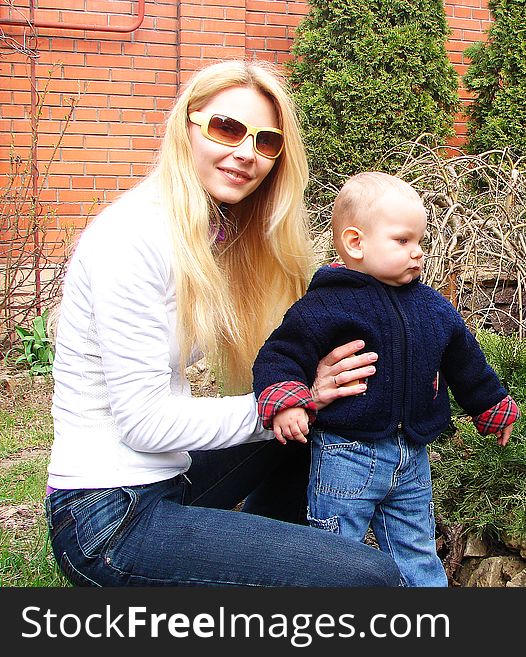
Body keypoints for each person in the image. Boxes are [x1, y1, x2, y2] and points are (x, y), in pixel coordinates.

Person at [44, 60, 401, 587]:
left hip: (168, 477)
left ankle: (266, 570)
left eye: (266, 142)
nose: (245, 153)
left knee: (299, 437)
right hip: (107, 516)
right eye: (226, 128)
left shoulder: (208, 233)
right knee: (369, 583)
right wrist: (291, 403)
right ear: (186, 126)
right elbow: (144, 423)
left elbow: (304, 340)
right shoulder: (133, 237)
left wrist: (408, 349)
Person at [252, 172, 520, 587]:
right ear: (355, 243)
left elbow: (465, 360)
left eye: (420, 242)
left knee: (416, 549)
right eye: (402, 241)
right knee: (334, 556)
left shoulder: (432, 307)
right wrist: (287, 400)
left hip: (412, 456)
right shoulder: (325, 305)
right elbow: (281, 355)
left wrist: (491, 406)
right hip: (346, 454)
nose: (418, 253)